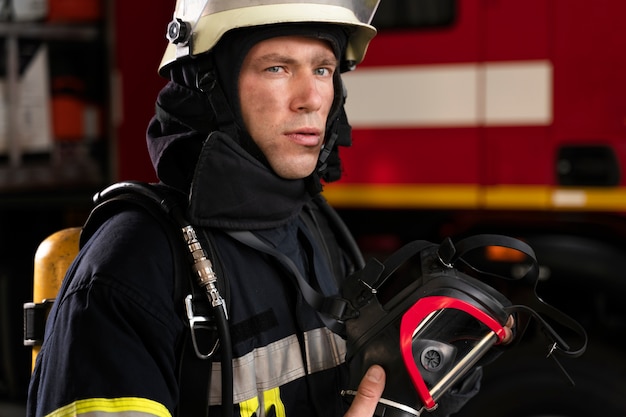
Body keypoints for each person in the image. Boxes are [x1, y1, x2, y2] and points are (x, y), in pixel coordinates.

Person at [27, 1, 514, 416]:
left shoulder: (316, 232)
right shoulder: (132, 266)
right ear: (209, 86)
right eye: (277, 67)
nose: (311, 98)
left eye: (322, 69)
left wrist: (442, 364)